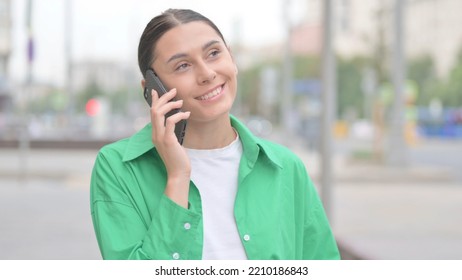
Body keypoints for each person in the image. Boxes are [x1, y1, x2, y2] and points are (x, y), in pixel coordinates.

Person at [90, 8, 340, 260]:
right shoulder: (117, 168)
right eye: (183, 65)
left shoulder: (285, 167)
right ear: (152, 89)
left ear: (231, 57)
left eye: (213, 53)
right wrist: (178, 177)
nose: (207, 74)